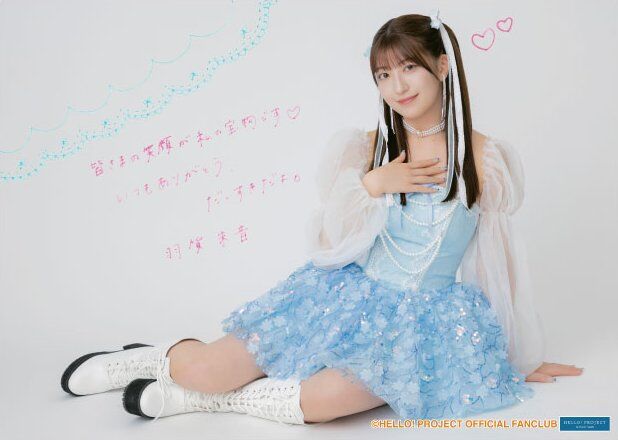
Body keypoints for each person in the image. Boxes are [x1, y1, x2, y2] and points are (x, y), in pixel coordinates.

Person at [60, 10, 583, 426]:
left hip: (420, 322)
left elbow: (498, 262)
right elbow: (331, 243)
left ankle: (194, 401)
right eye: (383, 74)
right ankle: (148, 360)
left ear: (442, 66)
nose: (397, 86)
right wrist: (373, 186)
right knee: (208, 369)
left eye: (409, 68)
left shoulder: (485, 159)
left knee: (319, 403)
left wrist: (521, 354)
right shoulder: (368, 149)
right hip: (341, 295)